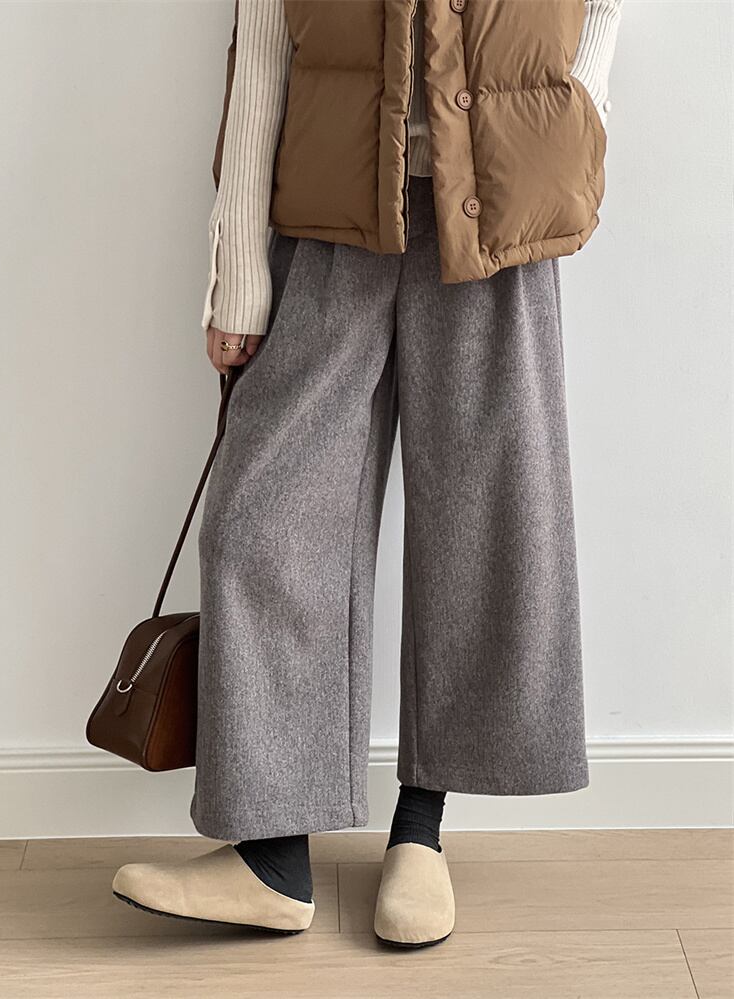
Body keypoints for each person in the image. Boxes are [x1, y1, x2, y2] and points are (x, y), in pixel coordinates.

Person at [112, 0, 624, 947]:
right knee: (263, 521)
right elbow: (261, 60)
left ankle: (422, 829)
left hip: (499, 219)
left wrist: (572, 122)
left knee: (485, 520)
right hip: (330, 215)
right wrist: (238, 274)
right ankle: (271, 856)